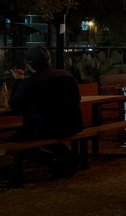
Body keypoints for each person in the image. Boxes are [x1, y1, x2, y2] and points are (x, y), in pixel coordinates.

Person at [7, 45, 83, 178]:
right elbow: (78, 98)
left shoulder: (31, 83)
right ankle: (65, 157)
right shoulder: (67, 75)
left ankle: (56, 161)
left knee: (14, 141)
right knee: (41, 133)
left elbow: (15, 104)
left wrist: (19, 81)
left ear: (30, 64)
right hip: (73, 125)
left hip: (46, 129)